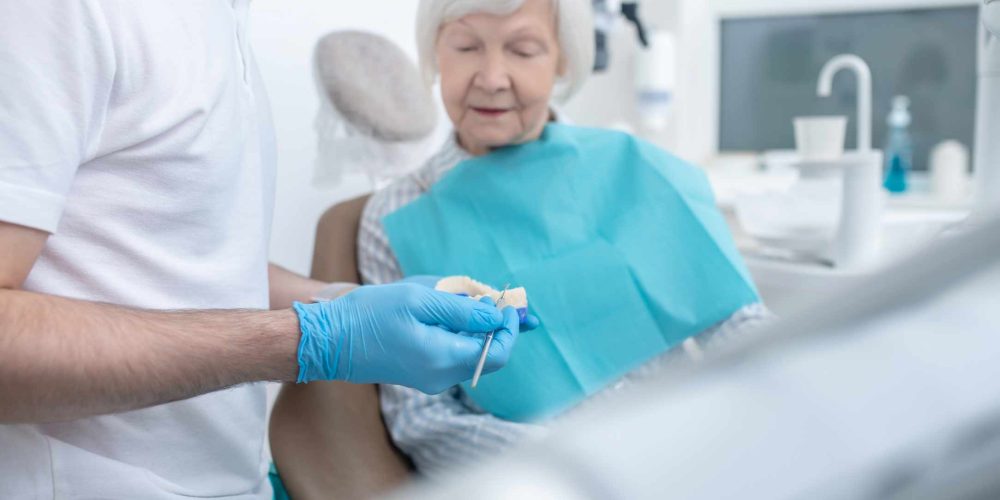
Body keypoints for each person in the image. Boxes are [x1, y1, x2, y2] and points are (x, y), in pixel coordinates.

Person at [0, 2, 527, 498]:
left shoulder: (219, 21)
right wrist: (308, 339)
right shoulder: (61, 14)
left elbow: (181, 260)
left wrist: (336, 298)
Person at [354, 0, 771, 479]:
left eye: (523, 50)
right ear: (435, 55)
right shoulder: (395, 217)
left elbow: (739, 326)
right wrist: (578, 462)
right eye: (466, 46)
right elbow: (421, 419)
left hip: (687, 457)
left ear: (563, 60)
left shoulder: (633, 169)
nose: (492, 77)